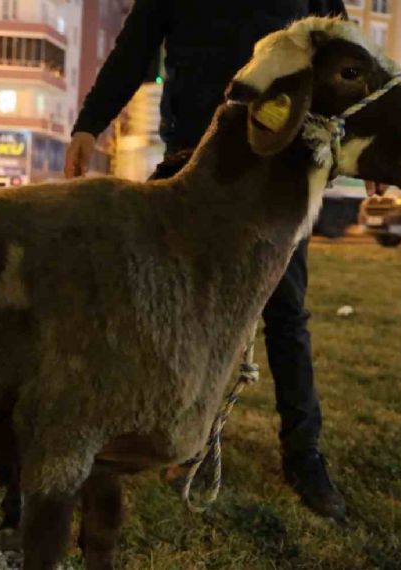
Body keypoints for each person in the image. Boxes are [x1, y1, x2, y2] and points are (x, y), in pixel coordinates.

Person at [64, 0, 349, 522]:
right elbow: (133, 51)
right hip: (192, 166)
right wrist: (90, 123)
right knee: (172, 309)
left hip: (277, 168)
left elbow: (343, 59)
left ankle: (304, 457)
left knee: (285, 316)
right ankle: (162, 437)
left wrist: (359, 140)